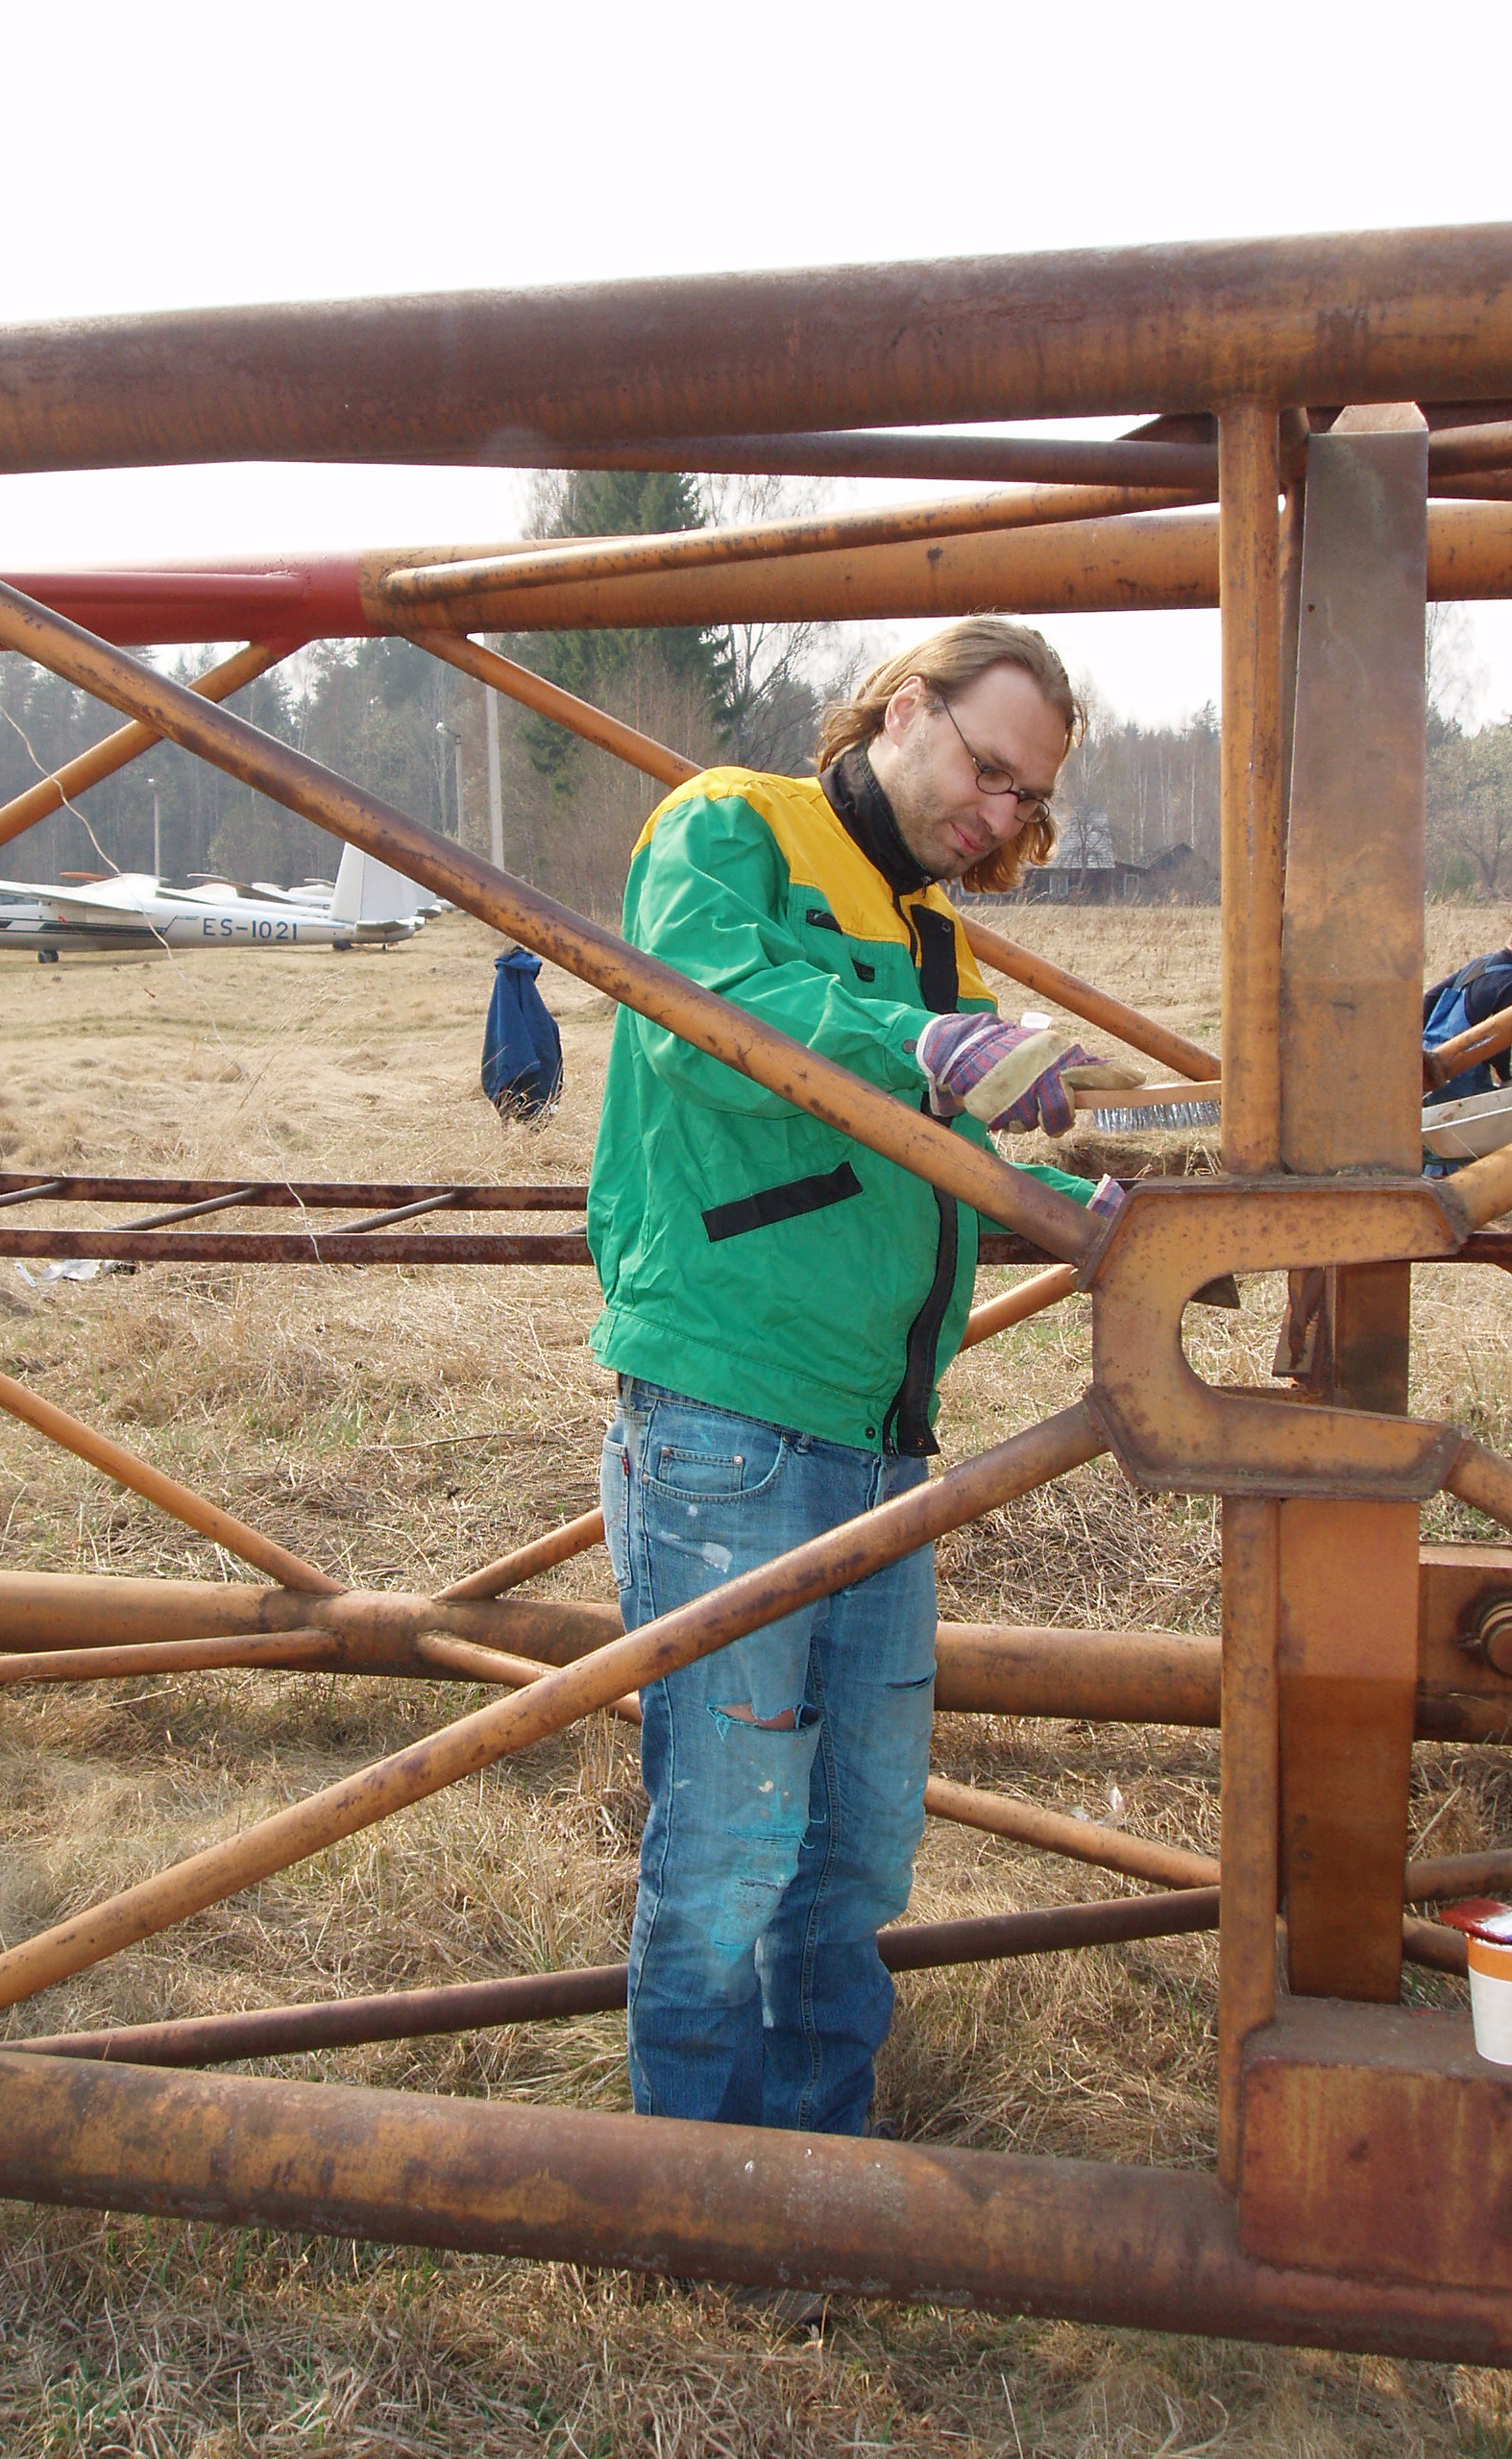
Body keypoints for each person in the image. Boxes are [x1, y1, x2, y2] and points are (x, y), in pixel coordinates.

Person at [589, 619, 1113, 2144]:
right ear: (904, 709)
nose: (999, 815)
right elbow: (707, 1020)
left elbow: (922, 1149)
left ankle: (821, 2158)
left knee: (859, 1851)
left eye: (1026, 799)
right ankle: (696, 2191)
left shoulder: (929, 932)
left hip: (885, 1439)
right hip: (730, 1420)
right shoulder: (730, 825)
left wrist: (1084, 1213)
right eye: (988, 767)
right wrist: (922, 1044)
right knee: (728, 1852)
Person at [1422, 914, 1512, 1107]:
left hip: (1427, 1058)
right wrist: (1509, 1078)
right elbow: (1506, 1038)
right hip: (1463, 1074)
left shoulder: (1482, 963)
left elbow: (1430, 998)